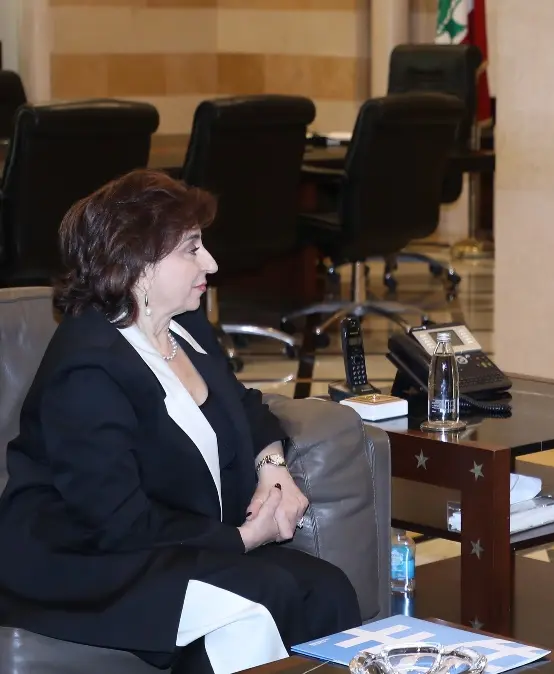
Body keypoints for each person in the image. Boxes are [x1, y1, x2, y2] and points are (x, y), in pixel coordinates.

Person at [0, 170, 361, 674]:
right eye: (192, 248)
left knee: (328, 590)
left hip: (177, 541)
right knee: (261, 598)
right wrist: (243, 539)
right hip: (89, 561)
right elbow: (118, 523)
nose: (210, 262)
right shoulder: (86, 368)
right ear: (138, 264)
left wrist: (272, 468)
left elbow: (246, 404)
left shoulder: (182, 325)